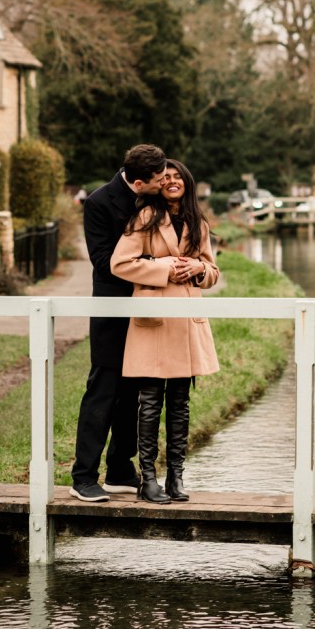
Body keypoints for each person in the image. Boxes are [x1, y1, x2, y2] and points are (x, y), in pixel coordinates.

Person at [110, 159, 220, 504]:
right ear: (158, 184)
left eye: (177, 177)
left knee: (180, 402)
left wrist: (199, 267)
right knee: (150, 401)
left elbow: (213, 272)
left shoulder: (197, 222)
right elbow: (120, 263)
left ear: (187, 182)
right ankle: (148, 478)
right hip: (155, 321)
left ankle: (176, 477)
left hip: (186, 321)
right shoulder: (145, 219)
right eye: (166, 177)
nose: (172, 181)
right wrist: (165, 268)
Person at [69, 143, 167, 502]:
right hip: (113, 310)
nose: (164, 182)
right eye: (158, 179)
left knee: (134, 394)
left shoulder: (156, 200)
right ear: (139, 182)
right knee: (103, 392)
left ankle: (120, 469)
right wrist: (154, 265)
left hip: (148, 309)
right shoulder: (98, 203)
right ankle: (83, 477)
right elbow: (101, 260)